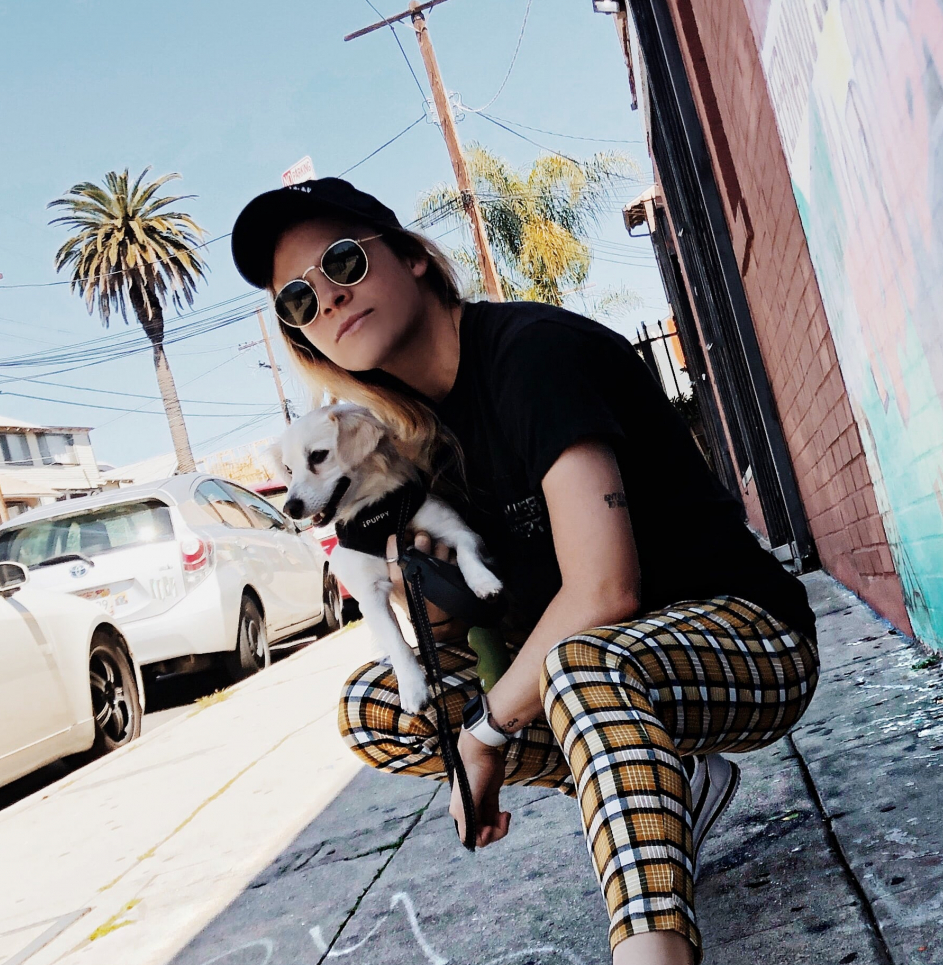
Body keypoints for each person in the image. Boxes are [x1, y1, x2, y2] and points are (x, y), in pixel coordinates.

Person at [231, 179, 818, 965]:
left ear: (412, 258)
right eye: (299, 301)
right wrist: (415, 589)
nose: (329, 299)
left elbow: (605, 592)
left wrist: (483, 734)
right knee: (379, 704)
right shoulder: (414, 445)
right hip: (621, 670)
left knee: (581, 664)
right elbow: (475, 640)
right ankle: (668, 781)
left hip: (750, 637)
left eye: (343, 263)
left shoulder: (531, 357)